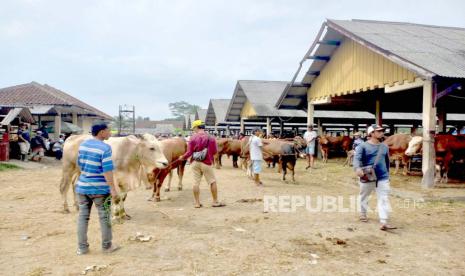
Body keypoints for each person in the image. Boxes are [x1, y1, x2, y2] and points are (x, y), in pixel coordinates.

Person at [76, 121, 119, 255]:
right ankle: (107, 247)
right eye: (108, 130)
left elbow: (79, 164)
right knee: (104, 217)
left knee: (83, 217)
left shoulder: (83, 145)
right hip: (100, 189)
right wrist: (112, 188)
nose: (110, 133)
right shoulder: (105, 148)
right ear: (101, 132)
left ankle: (82, 248)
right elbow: (107, 170)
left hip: (82, 187)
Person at [353, 124, 396, 231]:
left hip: (383, 177)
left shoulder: (384, 146)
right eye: (379, 131)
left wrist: (388, 174)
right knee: (364, 196)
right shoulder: (362, 146)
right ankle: (363, 213)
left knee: (384, 199)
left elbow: (386, 162)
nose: (382, 132)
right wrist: (357, 168)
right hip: (368, 176)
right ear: (371, 133)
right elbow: (357, 159)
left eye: (382, 131)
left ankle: (383, 221)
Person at [180, 120, 225, 208]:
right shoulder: (211, 138)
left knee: (196, 183)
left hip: (195, 162)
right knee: (212, 181)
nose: (193, 130)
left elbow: (189, 152)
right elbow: (215, 152)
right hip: (207, 162)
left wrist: (182, 157)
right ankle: (215, 202)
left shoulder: (192, 138)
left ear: (197, 127)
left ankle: (197, 203)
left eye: (194, 128)